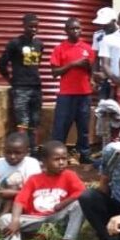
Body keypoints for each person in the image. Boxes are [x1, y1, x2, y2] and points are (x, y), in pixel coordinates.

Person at [0, 140, 85, 240]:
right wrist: (15, 220)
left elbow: (82, 192)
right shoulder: (34, 179)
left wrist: (63, 203)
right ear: (45, 161)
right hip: (36, 219)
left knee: (79, 204)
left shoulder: (69, 175)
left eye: (64, 158)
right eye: (56, 159)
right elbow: (20, 200)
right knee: (6, 219)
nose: (61, 162)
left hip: (58, 218)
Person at [49, 17, 95, 164]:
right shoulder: (59, 49)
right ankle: (56, 155)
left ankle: (84, 154)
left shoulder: (87, 49)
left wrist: (88, 68)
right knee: (60, 127)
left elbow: (92, 71)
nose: (76, 31)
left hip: (84, 94)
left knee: (84, 128)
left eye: (78, 28)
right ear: (66, 30)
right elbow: (54, 72)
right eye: (72, 28)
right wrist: (73, 64)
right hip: (66, 95)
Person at [0, 13, 44, 149]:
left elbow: (36, 65)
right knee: (22, 122)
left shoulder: (39, 44)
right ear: (24, 26)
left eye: (36, 27)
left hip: (36, 88)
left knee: (35, 122)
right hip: (20, 88)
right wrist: (10, 80)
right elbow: (1, 64)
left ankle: (34, 151)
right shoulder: (15, 44)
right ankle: (22, 151)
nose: (34, 29)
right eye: (31, 26)